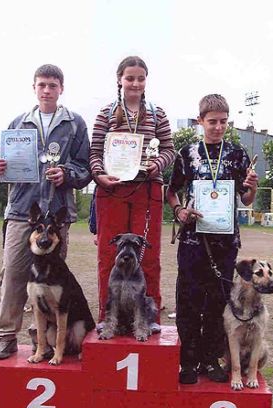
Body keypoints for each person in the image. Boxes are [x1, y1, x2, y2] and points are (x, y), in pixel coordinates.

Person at [0, 64, 91, 359]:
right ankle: (7, 336)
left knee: (52, 282)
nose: (47, 90)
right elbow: (4, 166)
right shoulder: (18, 123)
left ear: (62, 88)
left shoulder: (75, 124)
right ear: (34, 87)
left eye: (53, 85)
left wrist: (67, 174)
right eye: (42, 85)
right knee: (14, 274)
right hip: (23, 210)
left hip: (58, 213)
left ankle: (41, 340)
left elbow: (85, 169)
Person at [166, 94, 258, 384]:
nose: (218, 127)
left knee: (218, 303)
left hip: (225, 243)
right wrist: (180, 210)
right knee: (189, 301)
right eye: (212, 121)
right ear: (200, 121)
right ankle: (188, 361)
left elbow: (246, 199)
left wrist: (252, 188)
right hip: (193, 242)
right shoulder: (187, 153)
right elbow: (171, 192)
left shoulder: (238, 154)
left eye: (223, 122)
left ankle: (210, 359)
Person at [90, 55, 175, 330]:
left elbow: (169, 150)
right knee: (108, 254)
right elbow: (94, 153)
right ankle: (107, 317)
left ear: (146, 80)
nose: (135, 83)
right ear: (119, 79)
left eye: (140, 78)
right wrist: (100, 175)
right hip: (112, 190)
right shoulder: (105, 113)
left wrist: (156, 165)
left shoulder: (157, 113)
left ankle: (149, 318)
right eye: (130, 78)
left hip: (147, 189)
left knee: (147, 256)